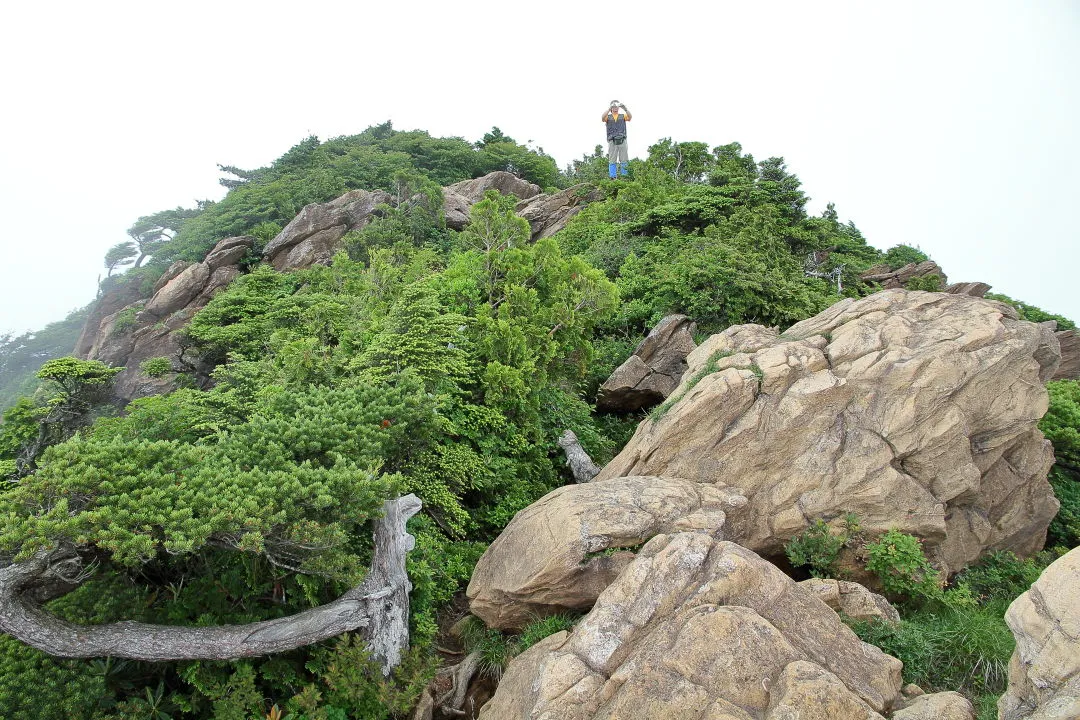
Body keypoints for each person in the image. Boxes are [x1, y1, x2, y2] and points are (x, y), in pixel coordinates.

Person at [601, 100, 632, 179]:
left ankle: (624, 176)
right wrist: (609, 109)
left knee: (624, 158)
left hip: (622, 139)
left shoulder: (622, 116)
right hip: (612, 140)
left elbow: (630, 117)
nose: (615, 107)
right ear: (611, 107)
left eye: (616, 106)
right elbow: (602, 118)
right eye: (613, 106)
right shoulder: (608, 116)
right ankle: (613, 177)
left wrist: (625, 108)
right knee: (612, 159)